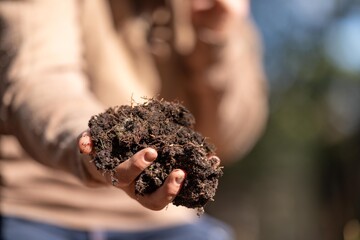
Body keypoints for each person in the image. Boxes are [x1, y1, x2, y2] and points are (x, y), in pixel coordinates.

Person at [0, 0, 268, 239]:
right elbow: (39, 80)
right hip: (35, 205)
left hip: (164, 219)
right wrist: (100, 143)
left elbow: (226, 139)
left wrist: (216, 35)